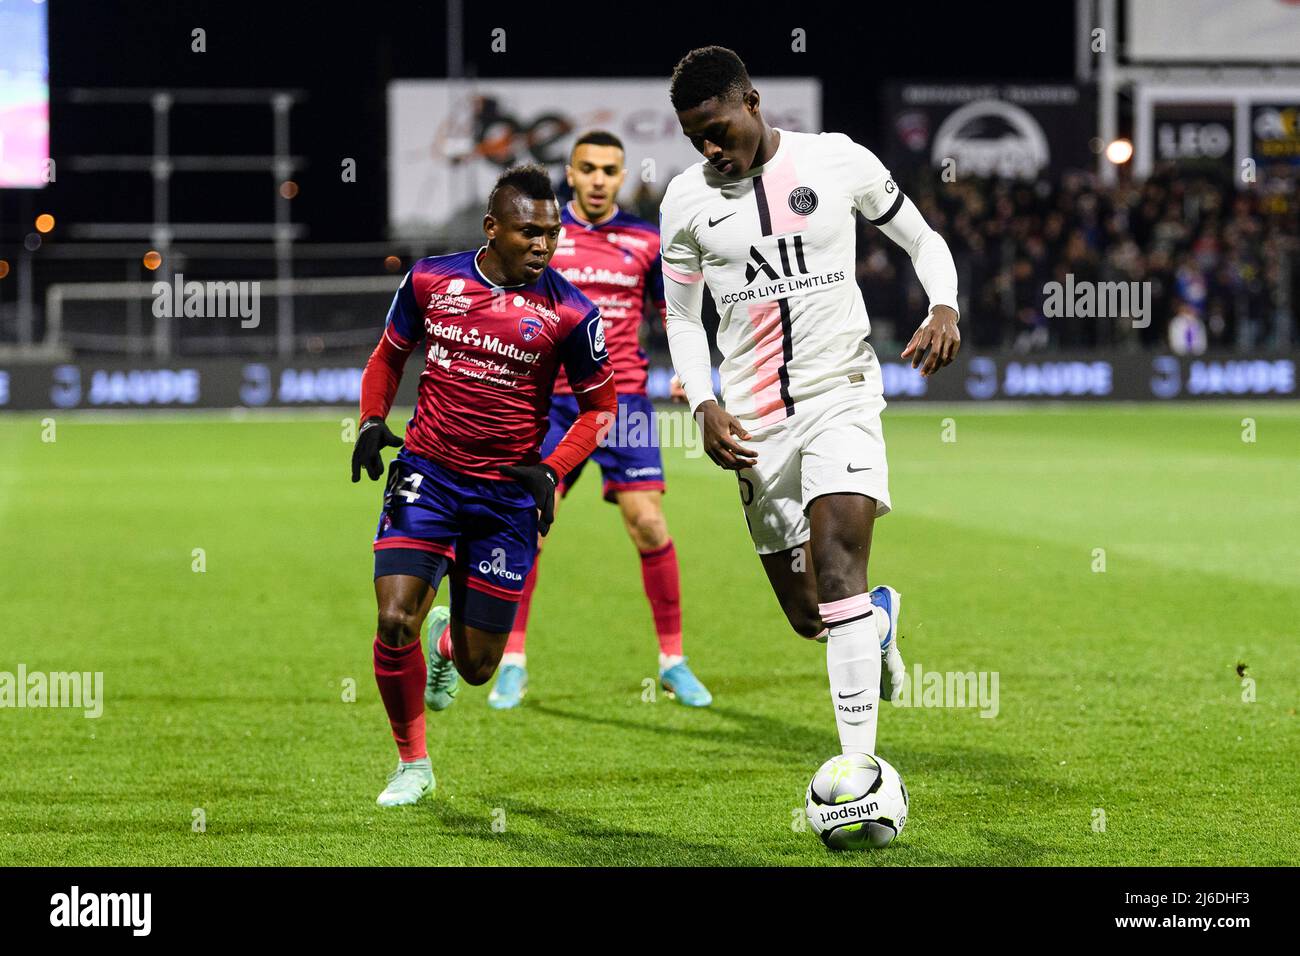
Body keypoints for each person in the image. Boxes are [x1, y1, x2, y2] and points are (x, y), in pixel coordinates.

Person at [660, 47, 961, 760]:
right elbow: (680, 317)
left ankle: (859, 773)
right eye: (693, 137)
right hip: (755, 425)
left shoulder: (836, 160)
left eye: (718, 129)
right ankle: (875, 622)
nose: (710, 148)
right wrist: (703, 402)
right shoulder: (685, 200)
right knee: (811, 615)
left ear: (752, 102)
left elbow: (922, 239)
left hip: (842, 396)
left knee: (836, 570)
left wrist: (943, 304)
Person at [352, 164, 617, 806]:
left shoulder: (573, 313)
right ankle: (412, 764)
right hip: (428, 473)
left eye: (552, 234)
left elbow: (600, 408)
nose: (543, 247)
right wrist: (369, 421)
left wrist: (553, 468)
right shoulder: (430, 280)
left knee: (477, 669)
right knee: (393, 620)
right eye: (530, 233)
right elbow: (389, 356)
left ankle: (450, 639)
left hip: (505, 499)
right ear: (492, 227)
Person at [489, 130, 712, 710]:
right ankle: (512, 660)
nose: (596, 179)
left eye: (608, 170)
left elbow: (674, 311)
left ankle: (673, 662)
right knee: (532, 524)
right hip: (552, 404)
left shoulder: (645, 240)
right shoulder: (543, 237)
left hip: (626, 404)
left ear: (620, 176)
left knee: (649, 524)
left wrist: (690, 369)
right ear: (570, 171)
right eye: (586, 168)